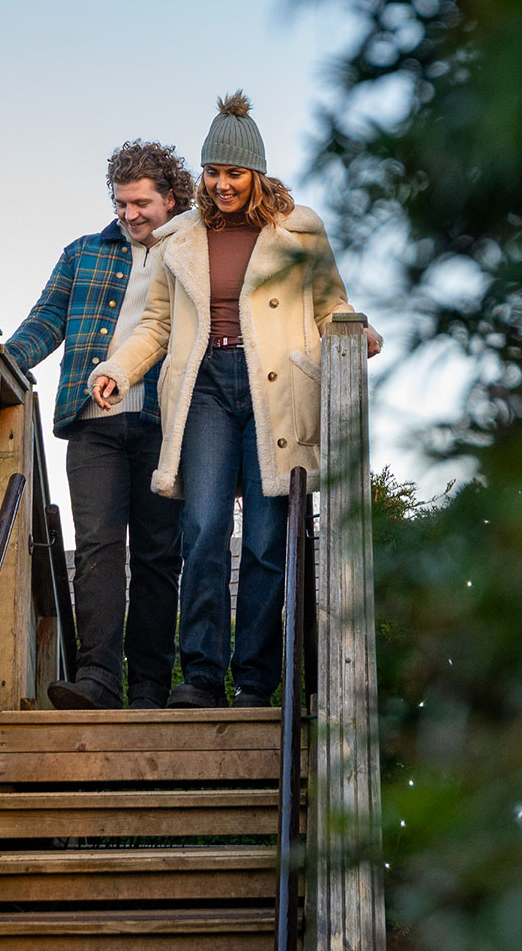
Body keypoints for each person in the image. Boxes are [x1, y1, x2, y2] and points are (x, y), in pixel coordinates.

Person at [90, 93, 382, 709]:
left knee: (265, 537)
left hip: (275, 386)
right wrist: (119, 368)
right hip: (205, 387)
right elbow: (157, 326)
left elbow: (330, 303)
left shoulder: (299, 230)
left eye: (234, 173)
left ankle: (254, 680)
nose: (222, 185)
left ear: (257, 173)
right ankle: (199, 675)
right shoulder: (181, 238)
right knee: (201, 527)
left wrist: (357, 330)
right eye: (213, 172)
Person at [5, 140, 193, 711]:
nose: (130, 215)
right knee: (97, 548)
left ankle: (151, 687)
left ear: (172, 199)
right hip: (93, 422)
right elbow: (46, 320)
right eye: (120, 204)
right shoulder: (84, 252)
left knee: (159, 553)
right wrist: (1, 363)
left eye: (141, 204)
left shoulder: (191, 253)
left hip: (166, 421)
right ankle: (98, 677)